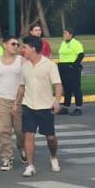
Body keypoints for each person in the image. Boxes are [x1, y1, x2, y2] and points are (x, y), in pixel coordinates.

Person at [19, 35, 63, 176]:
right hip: (28, 105)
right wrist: (16, 103)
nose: (22, 50)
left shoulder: (50, 65)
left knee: (50, 137)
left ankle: (53, 156)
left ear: (33, 48)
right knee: (28, 135)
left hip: (45, 106)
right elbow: (21, 86)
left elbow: (57, 85)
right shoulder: (24, 66)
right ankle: (30, 166)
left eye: (24, 47)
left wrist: (56, 101)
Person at [0, 37, 24, 172]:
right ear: (5, 45)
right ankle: (7, 158)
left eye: (17, 44)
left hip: (19, 101)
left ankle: (21, 146)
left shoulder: (21, 61)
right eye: (13, 44)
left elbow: (26, 82)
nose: (16, 46)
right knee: (3, 131)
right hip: (1, 100)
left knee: (20, 131)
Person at [55, 28, 85, 115]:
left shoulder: (75, 43)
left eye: (65, 33)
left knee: (75, 88)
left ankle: (78, 107)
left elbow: (81, 55)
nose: (63, 35)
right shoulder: (63, 43)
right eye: (63, 33)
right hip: (62, 67)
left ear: (71, 35)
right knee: (66, 88)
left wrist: (74, 65)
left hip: (71, 68)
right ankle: (66, 107)